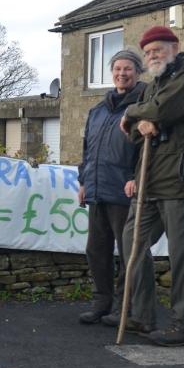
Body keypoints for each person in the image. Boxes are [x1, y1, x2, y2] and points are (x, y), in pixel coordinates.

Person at [118, 26, 184, 346]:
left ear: (175, 47)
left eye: (157, 49)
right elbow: (133, 133)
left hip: (182, 179)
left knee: (182, 254)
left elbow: (162, 111)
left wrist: (133, 112)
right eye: (147, 52)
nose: (151, 56)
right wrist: (140, 121)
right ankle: (142, 315)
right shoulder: (152, 85)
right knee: (132, 241)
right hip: (152, 180)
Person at [76, 49, 147, 326]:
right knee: (96, 250)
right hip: (96, 189)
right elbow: (87, 149)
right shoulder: (98, 109)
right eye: (117, 69)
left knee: (128, 252)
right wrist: (83, 181)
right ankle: (101, 302)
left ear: (138, 72)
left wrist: (137, 177)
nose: (122, 74)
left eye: (127, 69)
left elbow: (147, 149)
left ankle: (126, 307)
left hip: (125, 190)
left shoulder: (143, 104)